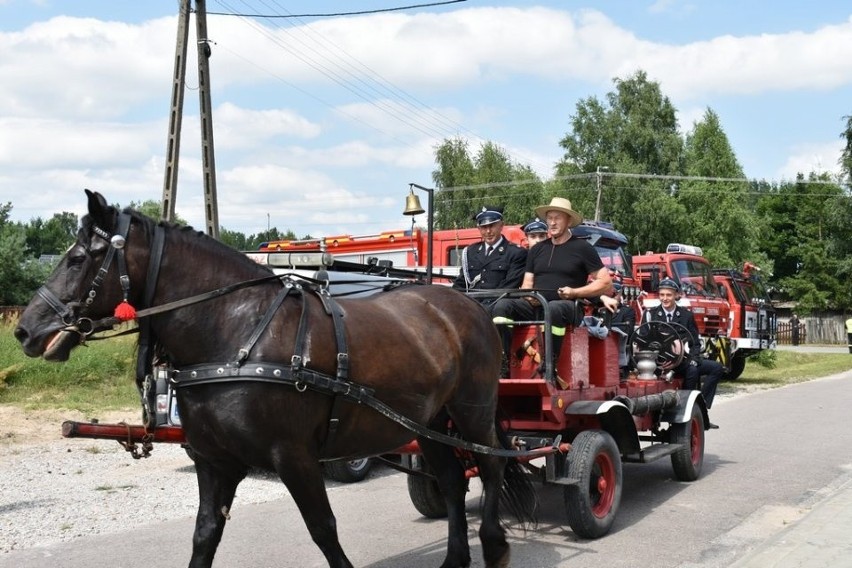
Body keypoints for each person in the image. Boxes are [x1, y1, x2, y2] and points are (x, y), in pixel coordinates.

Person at [491, 197, 612, 370]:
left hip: (569, 307)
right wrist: (528, 296)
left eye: (558, 218)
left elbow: (606, 283)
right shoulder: (537, 250)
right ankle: (501, 364)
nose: (552, 223)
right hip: (537, 306)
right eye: (549, 218)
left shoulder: (583, 248)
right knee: (502, 306)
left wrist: (575, 293)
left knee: (554, 308)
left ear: (568, 220)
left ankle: (550, 364)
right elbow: (527, 285)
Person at [643, 278, 722, 427]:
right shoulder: (651, 315)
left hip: (681, 360)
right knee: (692, 370)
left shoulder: (686, 315)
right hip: (659, 362)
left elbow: (695, 342)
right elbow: (643, 341)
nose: (665, 298)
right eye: (662, 295)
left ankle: (699, 407)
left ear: (676, 295)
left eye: (669, 295)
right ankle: (684, 410)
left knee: (715, 368)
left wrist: (693, 358)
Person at [452, 205, 527, 297]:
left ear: (501, 226)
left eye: (492, 226)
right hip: (471, 305)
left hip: (496, 306)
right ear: (479, 229)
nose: (488, 231)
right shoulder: (470, 252)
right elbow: (461, 283)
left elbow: (508, 287)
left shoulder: (516, 253)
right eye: (484, 227)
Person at [602, 279, 636, 380]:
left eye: (614, 295)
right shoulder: (598, 310)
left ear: (620, 294)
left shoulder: (627, 311)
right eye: (609, 295)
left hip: (618, 352)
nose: (612, 297)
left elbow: (627, 331)